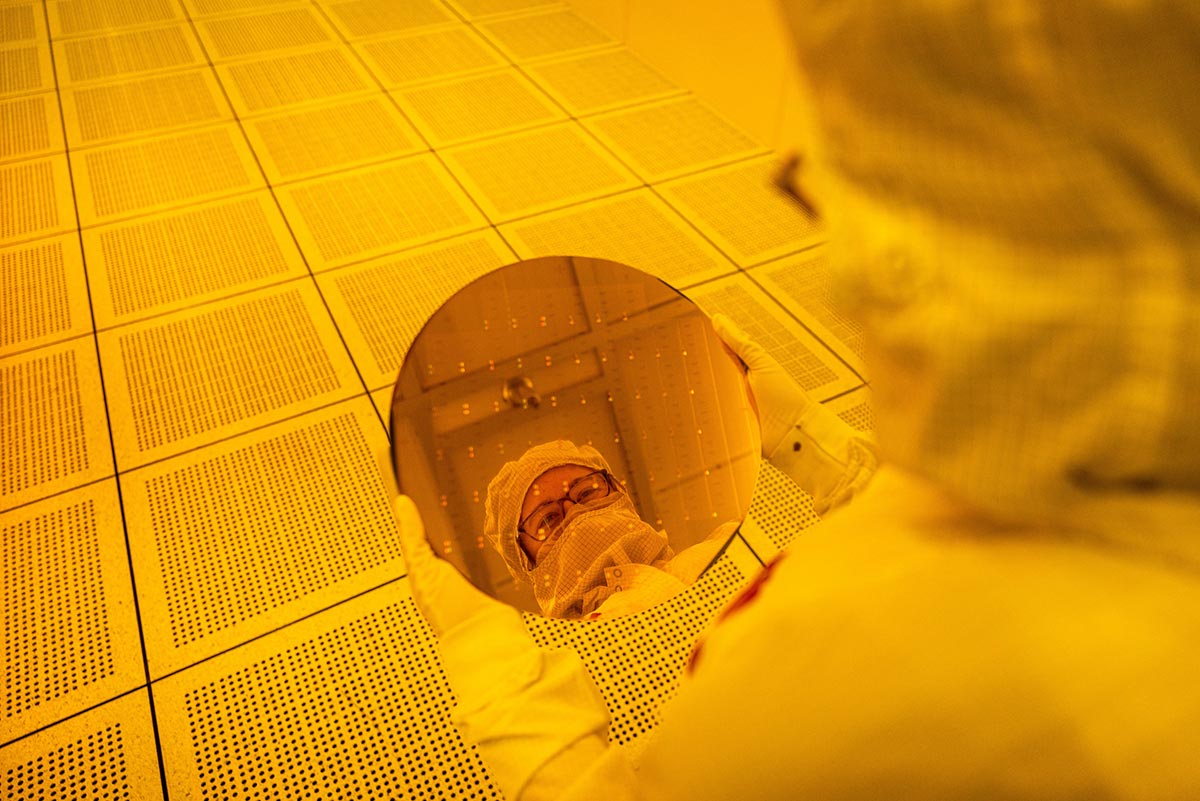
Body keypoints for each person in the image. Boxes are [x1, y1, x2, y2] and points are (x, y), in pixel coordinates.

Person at [394, 1, 1200, 798]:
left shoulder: (809, 708)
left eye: (841, 184)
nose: (840, 270)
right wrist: (818, 448)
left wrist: (495, 667)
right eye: (548, 516)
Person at [482, 440, 743, 620]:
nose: (576, 514)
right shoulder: (562, 660)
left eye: (586, 492)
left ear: (619, 491)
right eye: (548, 519)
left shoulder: (728, 550)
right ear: (527, 561)